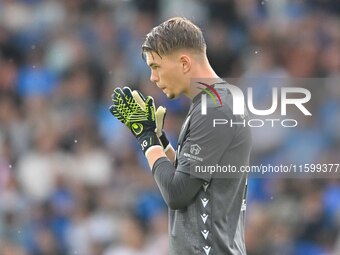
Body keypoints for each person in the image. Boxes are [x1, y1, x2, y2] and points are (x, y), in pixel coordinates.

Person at [109, 17, 252, 255]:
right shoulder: (213, 102)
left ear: (184, 63)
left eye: (156, 67)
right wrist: (161, 141)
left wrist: (146, 139)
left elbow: (178, 192)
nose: (153, 78)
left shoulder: (215, 107)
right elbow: (197, 178)